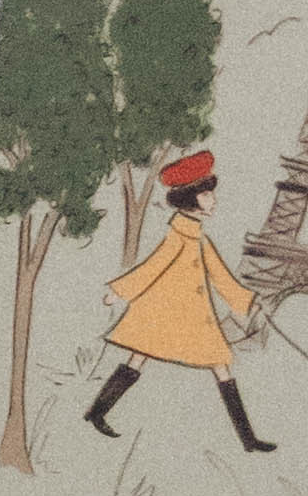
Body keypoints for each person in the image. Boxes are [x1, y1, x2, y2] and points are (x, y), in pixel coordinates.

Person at [84, 149, 274, 453]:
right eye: (208, 194)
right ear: (191, 197)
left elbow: (220, 276)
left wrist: (248, 301)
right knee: (144, 358)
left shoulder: (198, 237)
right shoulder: (179, 237)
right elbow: (152, 266)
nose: (214, 200)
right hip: (164, 314)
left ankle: (248, 440)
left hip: (191, 319)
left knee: (216, 365)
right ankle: (96, 412)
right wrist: (119, 291)